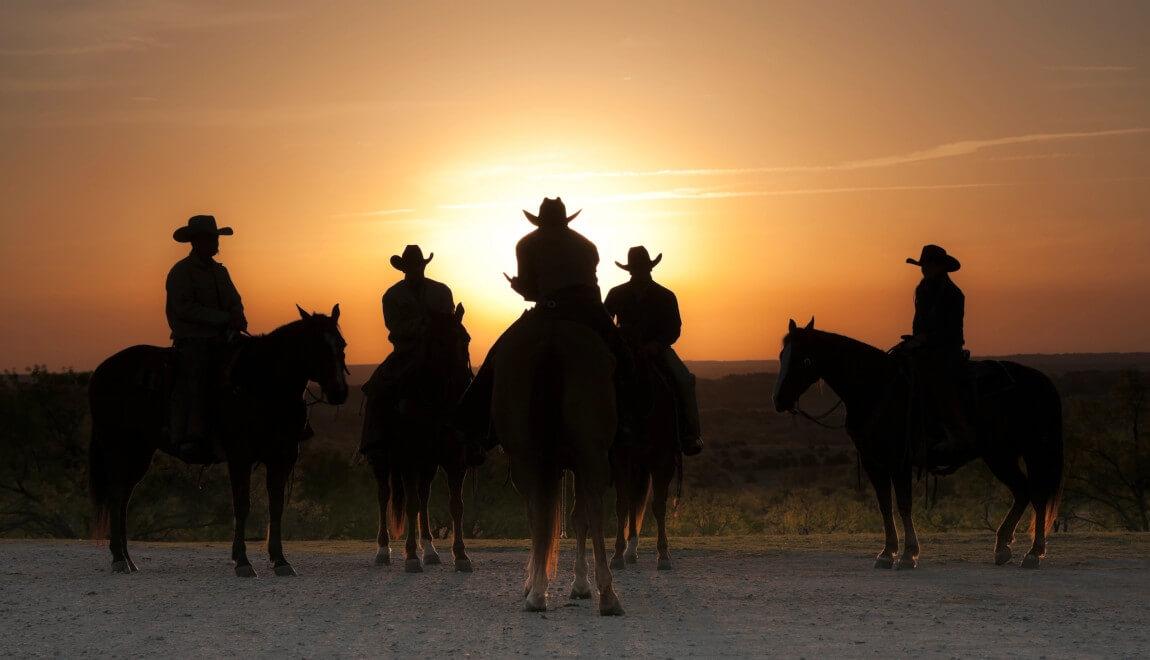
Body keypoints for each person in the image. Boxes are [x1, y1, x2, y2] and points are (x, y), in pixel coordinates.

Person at [454, 197, 635, 462]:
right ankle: (630, 422)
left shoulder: (526, 243)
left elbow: (530, 289)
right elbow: (588, 285)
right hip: (589, 311)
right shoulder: (587, 246)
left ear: (539, 220)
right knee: (625, 360)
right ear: (565, 219)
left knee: (496, 357)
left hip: (548, 309)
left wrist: (519, 287)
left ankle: (473, 429)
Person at [360, 245, 472, 457]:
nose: (414, 271)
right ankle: (372, 441)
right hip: (406, 350)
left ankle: (472, 438)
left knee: (466, 381)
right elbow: (394, 326)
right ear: (403, 269)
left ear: (422, 266)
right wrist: (421, 326)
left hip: (441, 347)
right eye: (410, 267)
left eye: (417, 266)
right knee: (377, 387)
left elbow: (450, 320)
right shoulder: (392, 296)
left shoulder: (441, 291)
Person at [605, 247, 704, 456]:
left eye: (640, 268)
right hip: (623, 351)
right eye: (635, 269)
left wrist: (656, 345)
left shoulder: (665, 296)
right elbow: (605, 323)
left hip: (657, 350)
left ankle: (690, 434)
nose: (638, 272)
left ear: (648, 268)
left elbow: (674, 329)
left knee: (684, 379)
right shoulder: (616, 294)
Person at [166, 214, 247, 463]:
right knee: (198, 375)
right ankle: (192, 435)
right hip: (194, 339)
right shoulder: (181, 272)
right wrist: (223, 319)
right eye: (211, 238)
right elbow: (184, 308)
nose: (216, 243)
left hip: (224, 338)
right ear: (196, 241)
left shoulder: (221, 272)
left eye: (216, 238)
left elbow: (235, 300)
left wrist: (237, 316)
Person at [898, 244, 973, 466]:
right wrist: (914, 340)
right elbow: (919, 324)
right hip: (924, 347)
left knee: (937, 379)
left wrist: (925, 340)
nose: (924, 270)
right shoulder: (922, 291)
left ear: (940, 267)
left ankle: (956, 433)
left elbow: (951, 331)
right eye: (923, 266)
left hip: (946, 349)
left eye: (928, 265)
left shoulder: (953, 294)